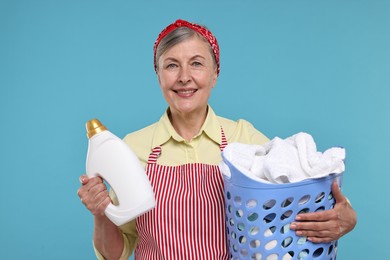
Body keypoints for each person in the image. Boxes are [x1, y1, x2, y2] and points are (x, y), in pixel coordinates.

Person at [77, 19, 357, 260]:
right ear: (158, 75)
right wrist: (101, 212)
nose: (184, 77)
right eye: (171, 65)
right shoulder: (133, 148)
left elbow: (294, 205)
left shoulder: (245, 141)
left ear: (215, 74)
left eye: (196, 64)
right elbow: (116, 253)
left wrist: (345, 217)